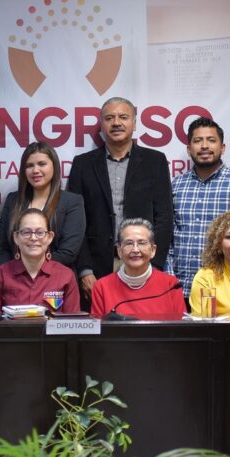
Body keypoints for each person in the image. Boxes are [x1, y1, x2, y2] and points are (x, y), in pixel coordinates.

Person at [68, 97, 173, 303]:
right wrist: (84, 270)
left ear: (134, 123)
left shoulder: (155, 161)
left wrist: (155, 265)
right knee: (99, 330)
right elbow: (75, 222)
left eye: (123, 117)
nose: (116, 123)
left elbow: (164, 217)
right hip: (97, 269)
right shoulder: (83, 165)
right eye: (109, 118)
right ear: (102, 125)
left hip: (142, 263)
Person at [168, 117, 230, 298]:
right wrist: (171, 280)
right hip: (181, 289)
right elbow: (168, 237)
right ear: (189, 149)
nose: (204, 146)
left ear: (222, 147)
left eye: (211, 140)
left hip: (224, 290)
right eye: (197, 141)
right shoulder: (176, 185)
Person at [0, 142, 85, 268]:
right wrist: (16, 274)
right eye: (29, 166)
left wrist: (30, 269)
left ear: (54, 166)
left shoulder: (72, 202)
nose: (35, 170)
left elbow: (68, 252)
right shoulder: (13, 200)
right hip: (14, 281)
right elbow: (0, 249)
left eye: (42, 164)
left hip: (55, 280)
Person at [0, 208, 81, 316]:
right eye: (26, 232)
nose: (33, 238)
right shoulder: (0, 275)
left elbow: (72, 324)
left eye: (40, 232)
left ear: (50, 237)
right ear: (16, 237)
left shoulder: (66, 276)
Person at [89, 218, 185, 320]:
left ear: (153, 250)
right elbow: (99, 332)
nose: (135, 250)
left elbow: (181, 331)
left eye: (141, 243)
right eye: (129, 243)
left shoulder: (171, 285)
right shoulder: (102, 287)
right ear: (119, 251)